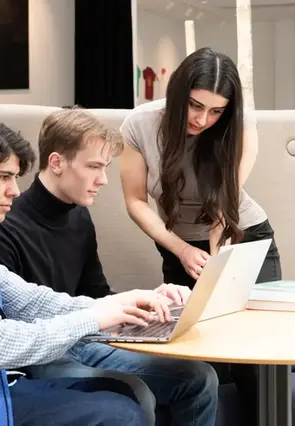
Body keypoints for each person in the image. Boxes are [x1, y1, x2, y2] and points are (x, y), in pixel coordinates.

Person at [0, 114, 175, 426]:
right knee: (121, 413)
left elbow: (30, 300)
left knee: (127, 394)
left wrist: (119, 304)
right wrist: (93, 318)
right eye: (4, 177)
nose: (14, 190)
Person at [0, 108, 220, 426]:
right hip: (42, 356)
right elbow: (13, 326)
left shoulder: (78, 215)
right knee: (137, 393)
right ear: (56, 163)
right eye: (94, 167)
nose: (103, 180)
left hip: (87, 340)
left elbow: (97, 295)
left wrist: (149, 301)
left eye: (105, 168)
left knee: (200, 377)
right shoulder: (4, 227)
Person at [118, 47, 282, 426]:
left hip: (242, 236)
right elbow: (135, 201)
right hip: (179, 245)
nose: (203, 119)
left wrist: (217, 262)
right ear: (177, 93)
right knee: (200, 357)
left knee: (257, 354)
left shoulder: (239, 125)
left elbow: (226, 203)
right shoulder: (139, 124)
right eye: (194, 106)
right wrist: (178, 249)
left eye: (215, 111)